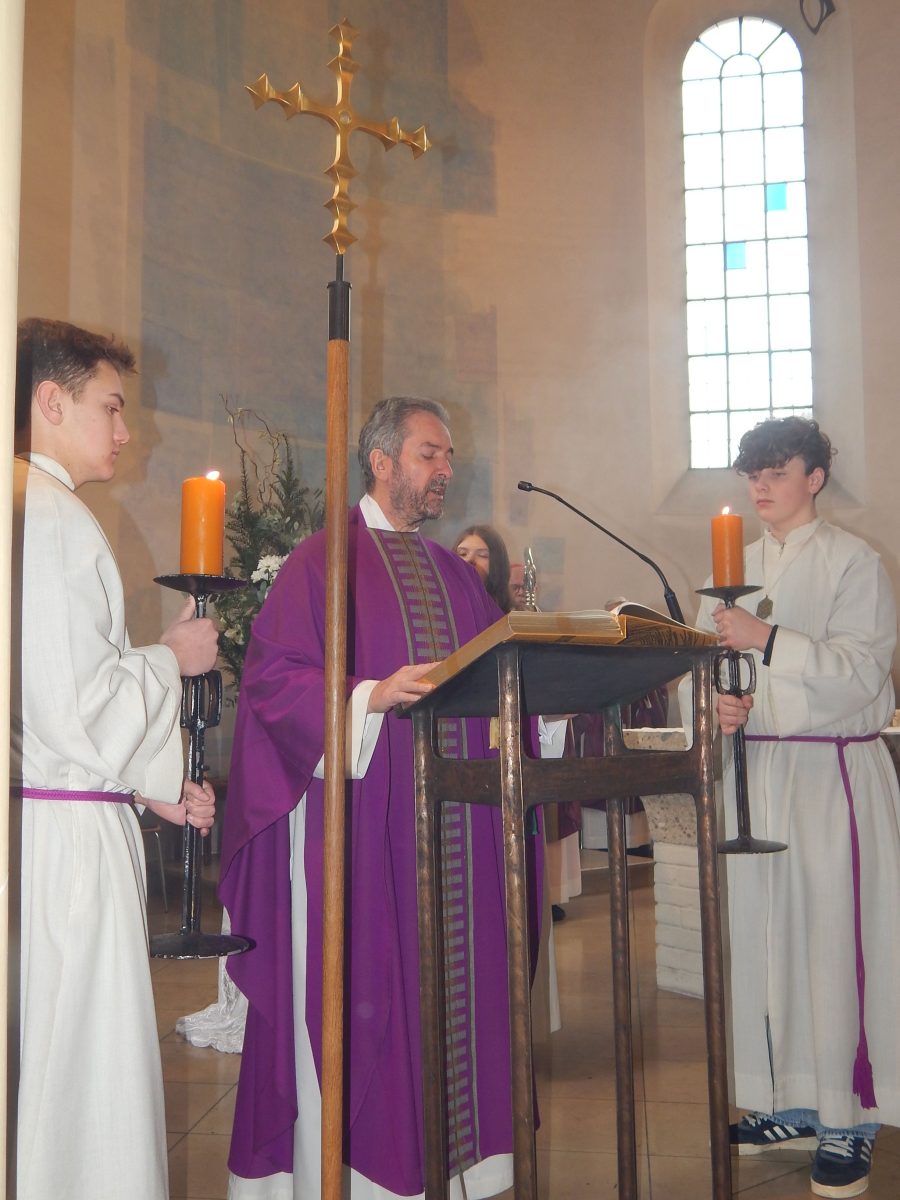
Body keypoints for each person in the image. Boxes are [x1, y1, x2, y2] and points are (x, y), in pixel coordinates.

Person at [219, 396, 565, 1200]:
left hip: (458, 843)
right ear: (380, 460)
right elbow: (272, 685)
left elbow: (500, 685)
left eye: (447, 456)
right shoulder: (320, 563)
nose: (446, 469)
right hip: (364, 833)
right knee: (369, 1002)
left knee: (453, 1005)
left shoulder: (456, 576)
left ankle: (460, 1170)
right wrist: (366, 697)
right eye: (428, 454)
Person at [12, 318, 219, 1200]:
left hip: (56, 813)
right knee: (86, 1068)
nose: (125, 430)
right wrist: (173, 657)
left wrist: (156, 788)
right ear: (49, 402)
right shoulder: (51, 516)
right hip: (66, 852)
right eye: (111, 406)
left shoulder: (36, 506)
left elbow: (53, 709)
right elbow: (77, 705)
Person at [686, 416, 900, 1198]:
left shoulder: (856, 563)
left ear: (815, 477)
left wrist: (766, 639)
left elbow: (864, 674)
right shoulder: (732, 570)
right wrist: (719, 707)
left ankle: (851, 1119)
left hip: (831, 780)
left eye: (779, 470)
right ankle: (795, 1100)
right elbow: (703, 668)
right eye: (753, 473)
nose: (761, 485)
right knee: (772, 944)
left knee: (835, 944)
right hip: (760, 776)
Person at [452, 523, 513, 613]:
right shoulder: (443, 606)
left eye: (482, 555)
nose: (469, 560)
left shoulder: (512, 615)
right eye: (462, 554)